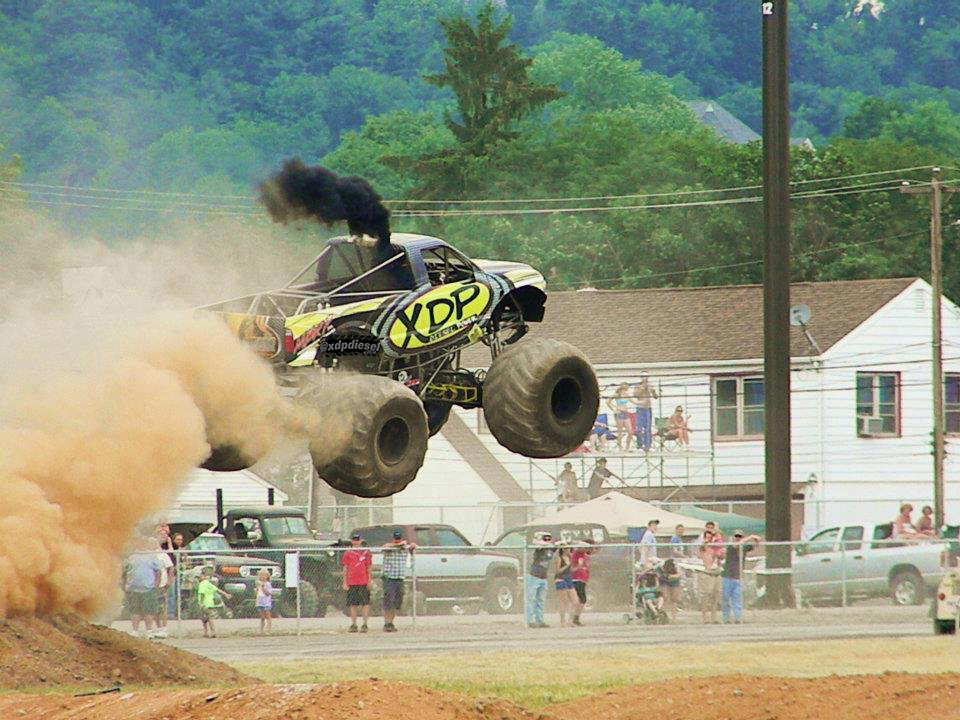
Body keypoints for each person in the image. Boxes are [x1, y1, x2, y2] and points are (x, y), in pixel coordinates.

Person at [123, 539, 164, 638]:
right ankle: (135, 631)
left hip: (148, 589)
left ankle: (149, 631)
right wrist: (126, 584)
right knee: (134, 611)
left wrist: (156, 585)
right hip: (133, 589)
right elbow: (124, 571)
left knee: (148, 611)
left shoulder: (152, 556)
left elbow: (158, 571)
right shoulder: (131, 557)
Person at [721, 530, 760, 624]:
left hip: (738, 577)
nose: (738, 538)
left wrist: (756, 540)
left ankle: (738, 618)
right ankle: (726, 619)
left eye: (740, 536)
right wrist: (750, 537)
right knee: (726, 598)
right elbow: (736, 545)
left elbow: (756, 545)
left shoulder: (744, 548)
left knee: (737, 599)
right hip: (727, 577)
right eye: (736, 536)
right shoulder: (731, 546)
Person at [381, 529, 416, 632]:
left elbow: (412, 550)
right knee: (388, 600)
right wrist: (398, 545)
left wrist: (411, 547)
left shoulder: (404, 549)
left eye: (399, 539)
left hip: (399, 578)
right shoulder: (389, 547)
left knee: (397, 602)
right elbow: (384, 547)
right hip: (389, 578)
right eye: (396, 539)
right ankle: (386, 622)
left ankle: (391, 622)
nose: (397, 540)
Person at [341, 532, 373, 633]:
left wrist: (369, 580)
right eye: (354, 540)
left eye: (357, 540)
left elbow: (369, 567)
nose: (356, 542)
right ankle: (354, 624)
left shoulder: (366, 553)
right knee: (353, 604)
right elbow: (345, 568)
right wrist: (345, 582)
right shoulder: (348, 553)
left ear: (361, 541)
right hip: (352, 582)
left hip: (363, 581)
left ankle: (365, 624)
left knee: (365, 604)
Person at [527, 532, 554, 628]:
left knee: (540, 600)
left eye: (548, 539)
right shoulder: (539, 548)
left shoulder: (551, 548)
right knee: (531, 599)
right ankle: (530, 621)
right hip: (534, 576)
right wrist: (545, 543)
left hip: (544, 577)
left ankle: (540, 620)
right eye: (545, 539)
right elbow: (535, 542)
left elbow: (568, 542)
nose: (547, 541)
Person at [196, 566, 231, 638]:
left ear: (205, 576)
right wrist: (226, 594)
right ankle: (210, 632)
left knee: (206, 618)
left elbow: (202, 594)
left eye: (201, 576)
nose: (199, 577)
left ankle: (209, 632)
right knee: (206, 618)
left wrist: (201, 603)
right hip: (210, 604)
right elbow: (217, 590)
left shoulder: (202, 584)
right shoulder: (209, 584)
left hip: (204, 604)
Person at [698, 529, 722, 624]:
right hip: (707, 574)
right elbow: (702, 547)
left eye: (710, 537)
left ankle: (714, 617)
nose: (708, 539)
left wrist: (717, 535)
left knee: (715, 596)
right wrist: (706, 542)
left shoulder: (715, 548)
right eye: (707, 537)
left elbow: (721, 555)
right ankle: (705, 618)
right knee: (706, 595)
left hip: (716, 573)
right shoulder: (703, 548)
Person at [153, 540, 174, 639]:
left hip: (162, 585)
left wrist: (169, 580)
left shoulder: (163, 555)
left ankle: (164, 629)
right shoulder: (148, 555)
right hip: (150, 586)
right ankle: (158, 628)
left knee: (162, 608)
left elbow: (170, 568)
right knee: (154, 608)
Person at [553, 545, 578, 627]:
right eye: (565, 548)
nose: (567, 550)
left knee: (575, 601)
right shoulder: (559, 558)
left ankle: (570, 621)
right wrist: (567, 565)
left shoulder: (569, 557)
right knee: (564, 601)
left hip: (568, 578)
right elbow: (558, 571)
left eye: (568, 548)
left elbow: (571, 570)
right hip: (561, 578)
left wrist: (578, 566)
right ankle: (562, 622)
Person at [633, 375, 658, 452]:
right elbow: (635, 395)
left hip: (648, 408)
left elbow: (656, 397)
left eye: (646, 376)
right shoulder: (637, 386)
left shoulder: (650, 385)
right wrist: (643, 388)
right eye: (643, 376)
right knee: (639, 428)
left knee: (648, 428)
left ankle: (648, 445)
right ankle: (639, 445)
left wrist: (653, 391)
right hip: (640, 408)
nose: (645, 378)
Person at [570, 541, 592, 626]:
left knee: (581, 600)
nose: (586, 550)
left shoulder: (584, 556)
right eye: (584, 548)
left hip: (582, 580)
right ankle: (574, 618)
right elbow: (572, 569)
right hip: (577, 580)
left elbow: (586, 566)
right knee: (581, 599)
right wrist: (578, 566)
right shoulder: (576, 555)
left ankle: (575, 618)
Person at [607, 383, 634, 451]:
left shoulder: (626, 395)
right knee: (620, 431)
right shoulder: (617, 395)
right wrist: (614, 409)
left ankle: (627, 447)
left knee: (630, 431)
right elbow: (608, 402)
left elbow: (633, 401)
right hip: (619, 414)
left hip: (626, 413)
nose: (626, 389)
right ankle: (620, 447)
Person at [660, 558, 682, 622]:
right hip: (664, 580)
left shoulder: (677, 566)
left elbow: (679, 575)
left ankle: (674, 618)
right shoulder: (662, 566)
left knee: (674, 600)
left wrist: (671, 576)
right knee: (665, 597)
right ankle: (663, 616)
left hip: (674, 581)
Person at [255, 569, 274, 635]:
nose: (262, 577)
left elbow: (268, 593)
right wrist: (257, 588)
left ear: (267, 576)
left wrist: (263, 587)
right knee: (262, 617)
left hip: (266, 602)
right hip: (260, 601)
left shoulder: (268, 584)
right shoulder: (258, 584)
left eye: (264, 575)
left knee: (268, 616)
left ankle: (269, 630)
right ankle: (261, 630)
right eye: (260, 575)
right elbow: (257, 593)